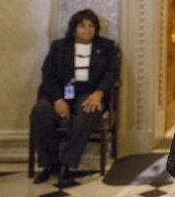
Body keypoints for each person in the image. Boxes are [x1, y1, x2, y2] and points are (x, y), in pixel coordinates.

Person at [30, 9, 119, 186]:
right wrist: (57, 99)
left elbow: (111, 74)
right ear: (74, 28)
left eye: (91, 26)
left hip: (90, 93)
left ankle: (67, 163)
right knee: (40, 110)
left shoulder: (106, 46)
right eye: (82, 25)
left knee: (88, 110)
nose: (87, 29)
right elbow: (48, 75)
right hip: (61, 93)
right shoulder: (59, 46)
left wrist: (99, 93)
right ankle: (49, 164)